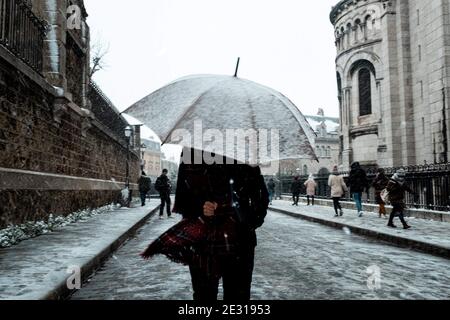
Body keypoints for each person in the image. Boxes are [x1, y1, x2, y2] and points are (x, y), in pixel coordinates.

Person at [172, 148, 269, 301]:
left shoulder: (246, 154)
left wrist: (235, 213)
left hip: (239, 243)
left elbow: (260, 201)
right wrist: (200, 208)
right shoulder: (191, 152)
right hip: (202, 245)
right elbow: (182, 201)